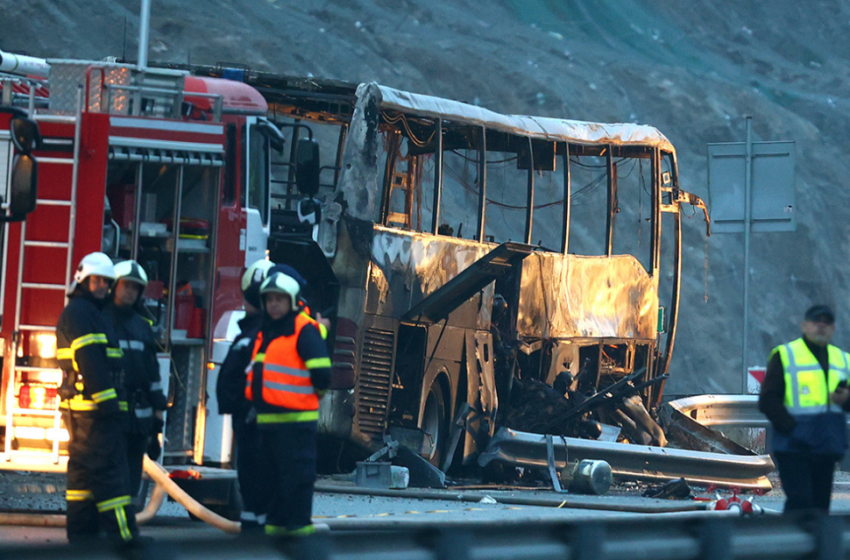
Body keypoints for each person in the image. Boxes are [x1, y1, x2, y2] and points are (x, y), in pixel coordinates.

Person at [56, 252, 139, 544]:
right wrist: (110, 406)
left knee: (82, 482)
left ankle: (82, 542)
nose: (103, 285)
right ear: (82, 280)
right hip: (95, 415)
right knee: (111, 478)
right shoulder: (82, 312)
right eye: (97, 280)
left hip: (84, 414)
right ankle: (126, 542)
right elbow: (90, 361)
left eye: (106, 281)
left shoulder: (87, 311)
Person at [246, 271, 331, 537]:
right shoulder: (266, 331)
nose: (273, 304)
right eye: (269, 299)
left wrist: (306, 398)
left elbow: (323, 375)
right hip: (268, 425)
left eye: (279, 299)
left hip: (296, 424)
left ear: (292, 301)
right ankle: (274, 536)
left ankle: (299, 537)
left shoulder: (303, 330)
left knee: (297, 479)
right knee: (271, 482)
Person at [758, 304, 850, 513]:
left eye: (826, 323)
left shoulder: (843, 359)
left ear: (833, 328)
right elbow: (768, 400)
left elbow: (846, 403)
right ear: (804, 326)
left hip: (826, 447)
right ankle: (791, 544)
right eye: (816, 322)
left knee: (819, 508)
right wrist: (793, 429)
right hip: (794, 447)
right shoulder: (785, 355)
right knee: (800, 504)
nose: (821, 326)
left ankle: (813, 545)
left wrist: (845, 399)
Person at [215, 258, 274, 531]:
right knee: (257, 492)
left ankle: (255, 542)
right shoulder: (277, 334)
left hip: (254, 425)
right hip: (259, 424)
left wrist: (243, 410)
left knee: (255, 489)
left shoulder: (254, 336)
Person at [102, 260, 167, 502]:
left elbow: (152, 374)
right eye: (125, 285)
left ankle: (125, 527)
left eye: (135, 287)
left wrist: (157, 423)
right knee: (111, 477)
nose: (129, 291)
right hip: (111, 416)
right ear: (114, 286)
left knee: (130, 480)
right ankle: (111, 531)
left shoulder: (142, 327)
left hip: (138, 420)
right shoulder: (100, 321)